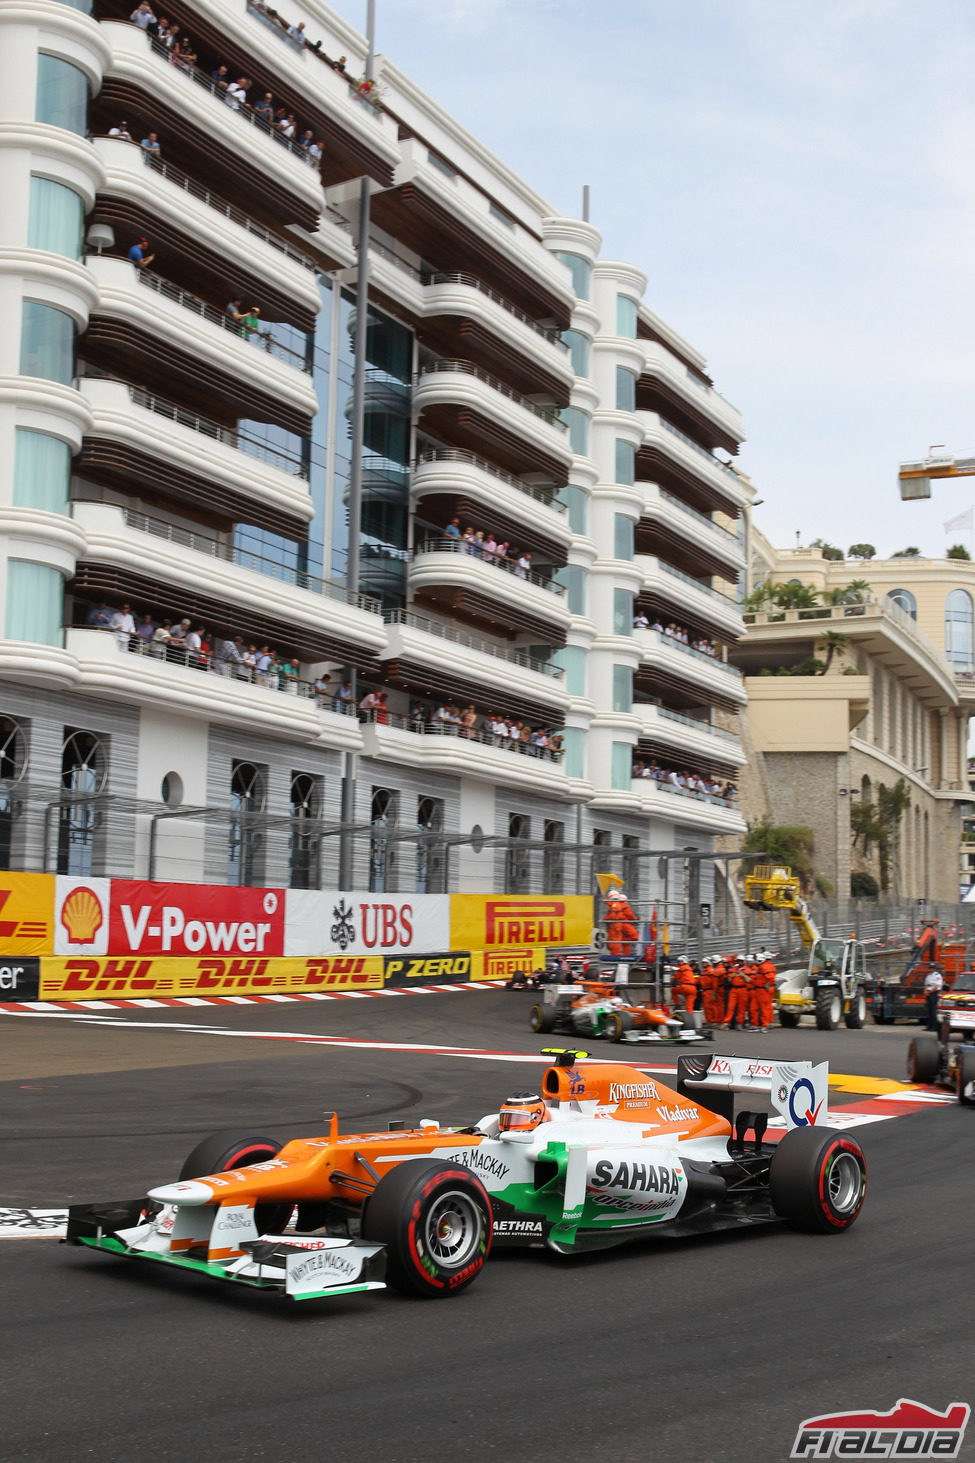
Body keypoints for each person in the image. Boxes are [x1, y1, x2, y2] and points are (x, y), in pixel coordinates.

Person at [604, 888, 639, 959]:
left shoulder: (614, 905)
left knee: (615, 942)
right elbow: (631, 916)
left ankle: (616, 957)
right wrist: (635, 919)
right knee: (628, 939)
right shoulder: (622, 906)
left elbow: (611, 916)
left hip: (616, 926)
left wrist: (605, 920)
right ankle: (624, 956)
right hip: (620, 925)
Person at [924, 963, 944, 1032]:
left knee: (933, 1010)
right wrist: (925, 991)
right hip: (929, 994)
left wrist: (930, 992)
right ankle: (929, 1026)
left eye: (932, 968)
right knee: (929, 1010)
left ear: (934, 968)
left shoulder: (937, 975)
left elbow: (937, 986)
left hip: (934, 994)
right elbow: (926, 985)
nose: (931, 969)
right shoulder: (928, 976)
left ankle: (934, 1027)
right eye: (930, 968)